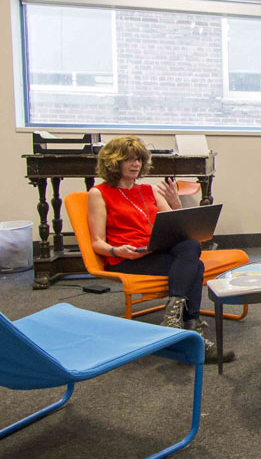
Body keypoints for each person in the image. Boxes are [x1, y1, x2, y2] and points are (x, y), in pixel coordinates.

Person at [87, 135, 232, 363]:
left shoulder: (149, 191)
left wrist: (176, 203)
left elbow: (176, 226)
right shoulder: (99, 193)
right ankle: (193, 331)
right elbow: (97, 242)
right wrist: (118, 251)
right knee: (195, 265)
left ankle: (174, 321)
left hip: (156, 250)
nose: (136, 164)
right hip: (128, 257)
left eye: (139, 160)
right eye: (129, 159)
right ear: (114, 162)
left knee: (191, 245)